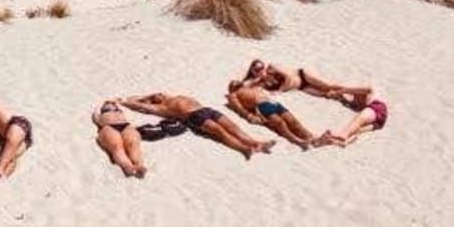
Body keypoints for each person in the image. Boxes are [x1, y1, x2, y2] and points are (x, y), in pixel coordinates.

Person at [121, 93, 275, 159]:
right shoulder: (161, 108)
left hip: (207, 110)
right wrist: (145, 98)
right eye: (156, 96)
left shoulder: (173, 96)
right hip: (194, 117)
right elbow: (134, 103)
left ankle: (255, 142)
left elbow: (161, 92)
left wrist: (154, 94)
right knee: (221, 132)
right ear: (154, 100)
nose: (159, 94)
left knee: (234, 127)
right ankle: (244, 148)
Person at [239, 60, 374, 110]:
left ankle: (360, 90)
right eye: (257, 69)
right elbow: (245, 86)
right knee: (328, 95)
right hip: (301, 87)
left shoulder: (272, 67)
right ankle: (355, 101)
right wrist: (253, 79)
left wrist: (279, 90)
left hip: (303, 75)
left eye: (261, 67)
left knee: (328, 86)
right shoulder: (262, 82)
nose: (261, 70)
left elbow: (288, 77)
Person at [225, 80, 315, 149]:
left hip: (274, 103)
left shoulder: (250, 87)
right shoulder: (233, 95)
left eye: (236, 81)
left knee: (293, 121)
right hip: (261, 106)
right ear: (231, 88)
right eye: (232, 83)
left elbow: (258, 79)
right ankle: (296, 140)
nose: (235, 81)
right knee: (280, 123)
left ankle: (311, 137)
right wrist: (249, 116)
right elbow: (239, 108)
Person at [91, 99, 147, 178]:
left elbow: (119, 102)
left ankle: (139, 165)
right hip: (109, 126)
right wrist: (101, 105)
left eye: (111, 103)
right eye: (106, 104)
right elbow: (95, 114)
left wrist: (114, 103)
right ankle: (127, 166)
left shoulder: (120, 111)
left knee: (133, 144)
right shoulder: (100, 114)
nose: (108, 103)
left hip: (125, 126)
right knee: (117, 147)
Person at [315, 92, 391, 147]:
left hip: (377, 110)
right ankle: (341, 141)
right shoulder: (350, 101)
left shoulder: (351, 100)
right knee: (357, 129)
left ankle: (341, 139)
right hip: (379, 118)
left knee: (356, 126)